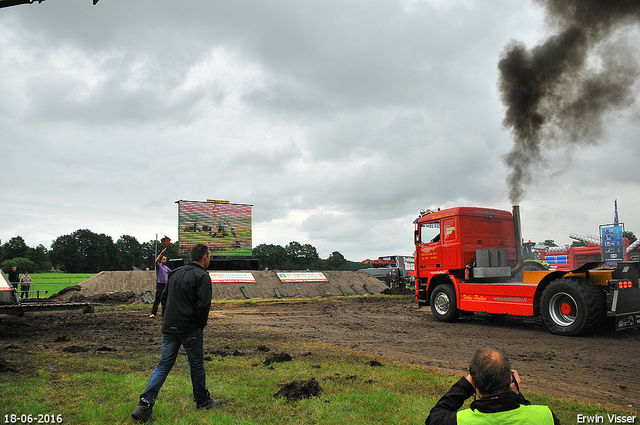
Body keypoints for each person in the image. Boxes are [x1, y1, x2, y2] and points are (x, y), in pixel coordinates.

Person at [132, 244, 220, 423]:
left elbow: (163, 298)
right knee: (196, 365)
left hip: (169, 327)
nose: (209, 259)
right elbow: (203, 305)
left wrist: (168, 320)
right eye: (209, 256)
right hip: (190, 328)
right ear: (205, 257)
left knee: (164, 364)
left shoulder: (175, 273)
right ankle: (202, 401)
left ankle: (144, 404)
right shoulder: (202, 276)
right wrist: (200, 324)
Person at [425, 346, 560, 425]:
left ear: (474, 383)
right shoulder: (546, 415)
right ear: (511, 379)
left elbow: (434, 418)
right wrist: (518, 396)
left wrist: (465, 385)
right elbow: (529, 415)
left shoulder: (460, 421)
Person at [149, 248, 170, 318]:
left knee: (164, 300)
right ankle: (153, 313)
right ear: (161, 260)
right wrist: (161, 253)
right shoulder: (158, 266)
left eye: (165, 259)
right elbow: (156, 261)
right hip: (160, 284)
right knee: (157, 299)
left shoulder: (166, 267)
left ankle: (164, 314)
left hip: (165, 285)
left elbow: (171, 272)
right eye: (164, 259)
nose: (165, 260)